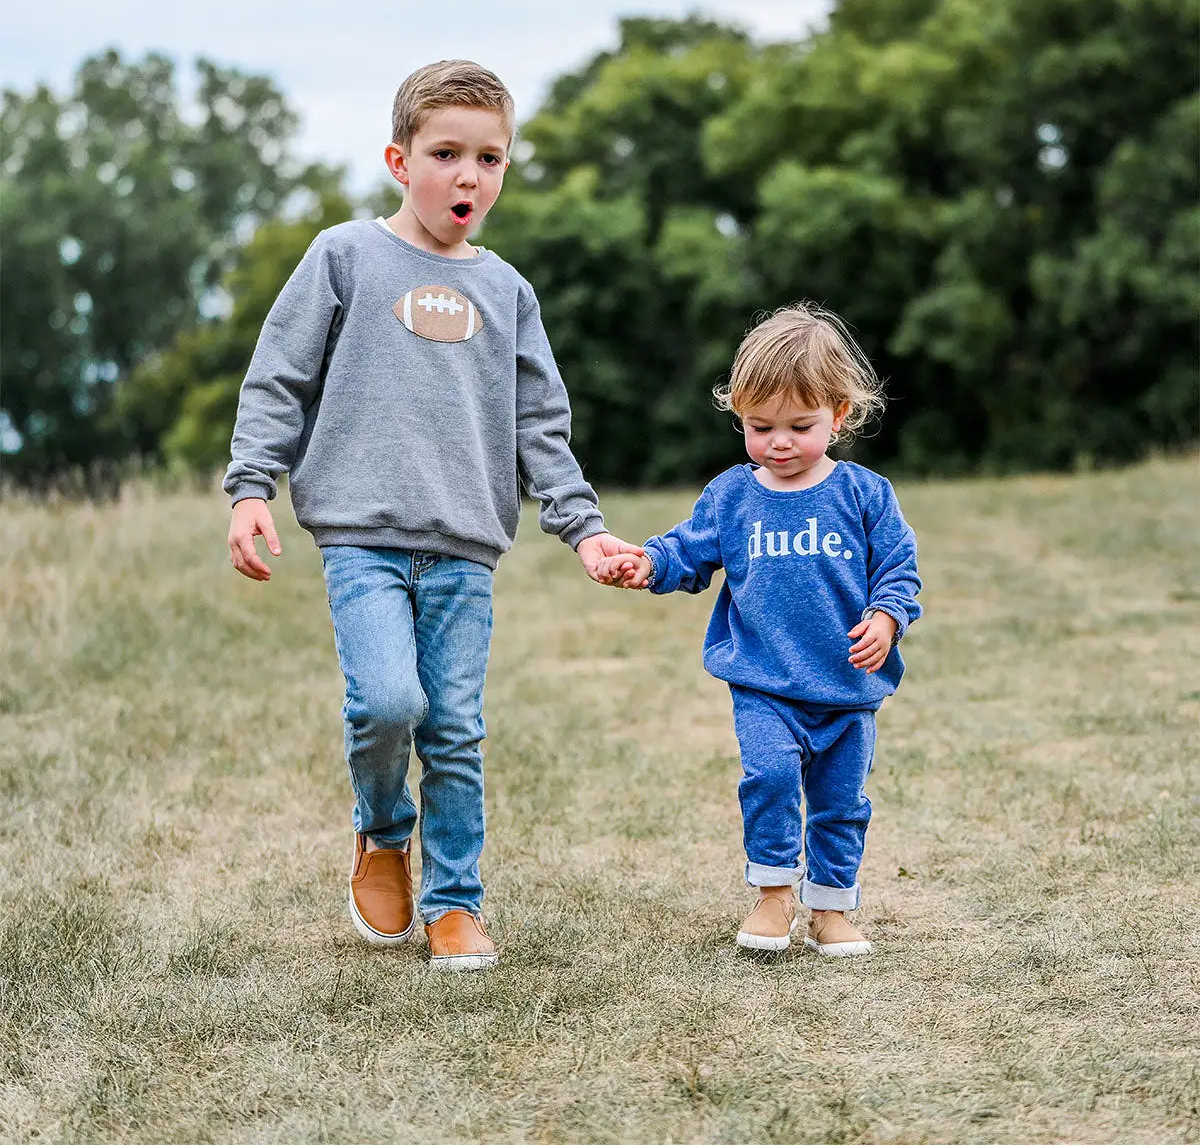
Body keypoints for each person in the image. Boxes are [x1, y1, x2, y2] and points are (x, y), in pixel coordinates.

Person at [223, 60, 642, 972]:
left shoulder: (509, 292)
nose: (468, 176)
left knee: (453, 726)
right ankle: (382, 835)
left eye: (489, 159)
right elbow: (279, 379)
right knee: (387, 703)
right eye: (446, 153)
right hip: (361, 539)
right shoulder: (344, 257)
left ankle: (455, 905)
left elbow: (541, 425)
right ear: (397, 159)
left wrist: (583, 526)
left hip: (463, 550)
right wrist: (251, 486)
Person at [598, 305, 921, 957]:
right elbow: (688, 551)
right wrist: (649, 563)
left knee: (840, 803)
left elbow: (899, 571)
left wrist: (886, 618)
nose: (778, 441)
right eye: (758, 426)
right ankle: (774, 897)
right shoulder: (732, 497)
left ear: (838, 414)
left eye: (799, 426)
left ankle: (830, 909)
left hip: (844, 687)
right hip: (764, 680)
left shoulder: (866, 495)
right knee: (769, 777)